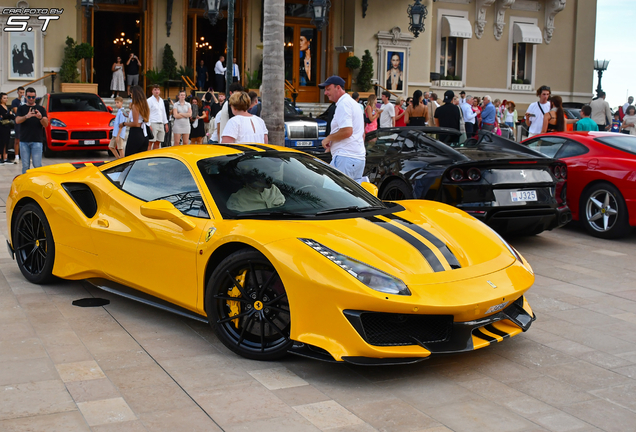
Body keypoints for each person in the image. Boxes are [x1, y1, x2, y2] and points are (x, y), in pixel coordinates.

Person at [319, 76, 366, 183]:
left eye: (328, 89)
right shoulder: (354, 104)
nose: (325, 93)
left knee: (335, 195)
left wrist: (328, 138)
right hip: (357, 158)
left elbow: (347, 131)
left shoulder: (343, 104)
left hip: (346, 158)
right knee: (351, 197)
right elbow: (361, 134)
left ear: (338, 88)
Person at [15, 87, 48, 173]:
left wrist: (40, 118)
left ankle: (38, 183)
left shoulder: (41, 109)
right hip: (24, 141)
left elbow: (46, 124)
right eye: (29, 97)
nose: (31, 99)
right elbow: (17, 120)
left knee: (37, 165)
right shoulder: (21, 108)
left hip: (37, 140)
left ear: (36, 96)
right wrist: (26, 116)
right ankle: (26, 184)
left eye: (33, 97)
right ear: (25, 96)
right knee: (25, 165)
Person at [121, 85, 150, 156]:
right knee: (141, 158)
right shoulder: (144, 104)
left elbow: (135, 123)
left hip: (136, 133)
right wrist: (130, 113)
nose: (130, 95)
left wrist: (124, 124)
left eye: (131, 93)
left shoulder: (135, 105)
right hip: (144, 133)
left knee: (129, 156)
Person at [146, 84, 169, 150]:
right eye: (155, 90)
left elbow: (163, 112)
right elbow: (147, 112)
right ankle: (148, 157)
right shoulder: (149, 100)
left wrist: (166, 123)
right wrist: (149, 124)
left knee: (158, 142)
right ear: (152, 91)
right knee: (151, 141)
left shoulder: (161, 100)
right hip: (153, 122)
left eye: (158, 89)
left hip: (161, 123)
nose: (157, 91)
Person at [11, 86, 25, 163]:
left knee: (26, 139)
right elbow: (17, 112)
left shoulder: (26, 100)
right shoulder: (15, 101)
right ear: (17, 93)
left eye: (23, 92)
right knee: (17, 139)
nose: (22, 94)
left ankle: (24, 156)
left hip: (26, 122)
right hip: (18, 122)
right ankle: (16, 156)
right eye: (20, 92)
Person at [0, 93, 15, 164]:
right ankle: (0, 158)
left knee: (7, 142)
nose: (6, 99)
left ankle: (5, 157)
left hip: (7, 126)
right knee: (1, 142)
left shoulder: (7, 107)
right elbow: (4, 115)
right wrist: (9, 115)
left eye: (7, 98)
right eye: (4, 98)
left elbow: (11, 116)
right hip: (1, 127)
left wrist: (8, 115)